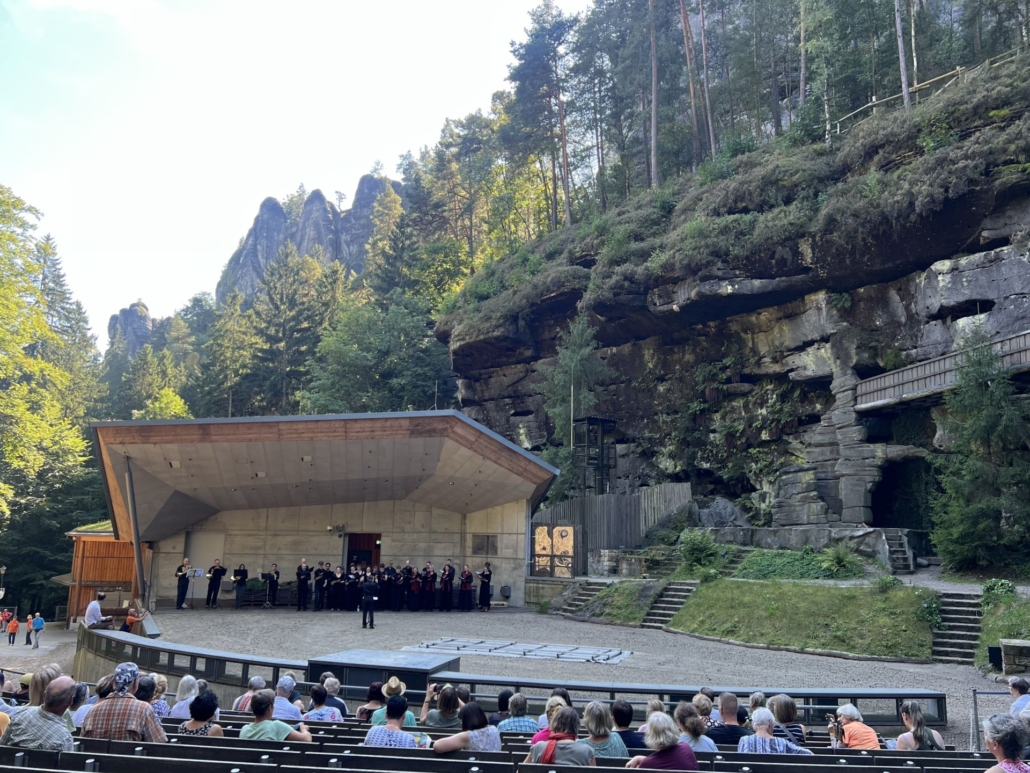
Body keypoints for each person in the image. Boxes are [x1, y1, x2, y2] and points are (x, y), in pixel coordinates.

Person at [81, 663, 167, 742]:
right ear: (136, 683)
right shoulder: (144, 709)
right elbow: (159, 743)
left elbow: (83, 742)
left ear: (113, 682)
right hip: (130, 759)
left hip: (97, 758)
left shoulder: (92, 711)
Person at [0, 676, 76, 750]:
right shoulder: (64, 738)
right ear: (70, 701)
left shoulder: (22, 713)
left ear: (44, 695)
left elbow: (2, 744)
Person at [626, 712, 699, 770]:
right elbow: (668, 762)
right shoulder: (686, 749)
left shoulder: (647, 765)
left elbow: (661, 762)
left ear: (651, 735)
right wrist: (641, 758)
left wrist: (643, 761)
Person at [525, 706, 594, 765]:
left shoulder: (538, 748)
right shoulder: (587, 752)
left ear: (554, 724)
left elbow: (520, 771)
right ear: (576, 727)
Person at [241, 689, 311, 742]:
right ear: (270, 708)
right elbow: (307, 739)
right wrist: (303, 729)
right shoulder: (276, 726)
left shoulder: (244, 730)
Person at [737, 708, 813, 755]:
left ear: (754, 725)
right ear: (770, 724)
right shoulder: (782, 743)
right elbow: (809, 754)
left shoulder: (744, 740)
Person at [435, 701, 502, 753]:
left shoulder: (468, 736)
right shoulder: (494, 729)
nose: (461, 723)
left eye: (462, 720)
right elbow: (471, 713)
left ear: (467, 720)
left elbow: (437, 746)